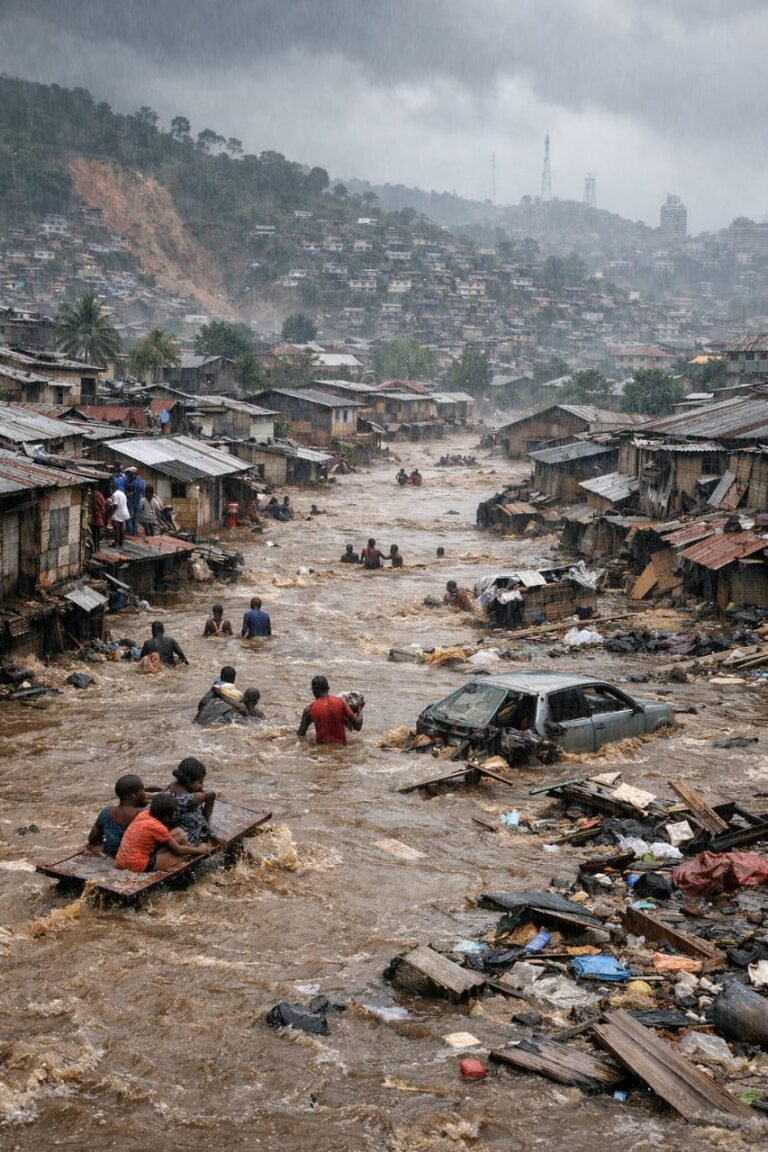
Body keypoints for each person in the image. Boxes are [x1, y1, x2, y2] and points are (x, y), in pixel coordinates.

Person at [116, 793, 208, 873]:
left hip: (121, 861)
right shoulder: (158, 827)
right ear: (167, 817)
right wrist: (199, 850)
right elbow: (178, 850)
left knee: (179, 832)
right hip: (137, 866)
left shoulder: (144, 814)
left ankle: (188, 850)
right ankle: (189, 869)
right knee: (182, 856)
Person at [88, 773, 153, 857]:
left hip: (110, 855)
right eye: (143, 790)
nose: (144, 792)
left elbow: (92, 839)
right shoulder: (143, 814)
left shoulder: (106, 812)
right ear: (134, 796)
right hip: (131, 857)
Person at [297, 675, 364, 746]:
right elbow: (358, 726)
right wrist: (359, 707)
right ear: (328, 688)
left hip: (321, 752)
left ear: (314, 690)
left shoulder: (309, 710)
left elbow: (300, 736)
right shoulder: (340, 702)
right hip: (341, 750)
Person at [165, 757, 216, 846]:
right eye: (200, 782)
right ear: (188, 782)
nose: (202, 785)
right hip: (191, 839)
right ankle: (209, 828)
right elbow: (212, 795)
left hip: (175, 828)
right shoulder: (190, 800)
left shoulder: (171, 786)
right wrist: (206, 795)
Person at [195, 686, 264, 727]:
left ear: (244, 698)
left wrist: (220, 693)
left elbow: (230, 701)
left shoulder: (240, 708)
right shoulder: (260, 714)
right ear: (257, 701)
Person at [125, 467, 145, 536]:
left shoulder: (130, 481)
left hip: (131, 502)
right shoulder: (141, 481)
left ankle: (131, 532)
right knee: (135, 518)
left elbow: (127, 490)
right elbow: (143, 492)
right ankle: (135, 532)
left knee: (130, 517)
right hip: (137, 502)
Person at [90, 486, 107, 552]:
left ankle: (96, 548)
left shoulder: (96, 496)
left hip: (96, 517)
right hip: (98, 516)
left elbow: (100, 505)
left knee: (95, 532)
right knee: (97, 532)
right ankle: (97, 547)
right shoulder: (99, 495)